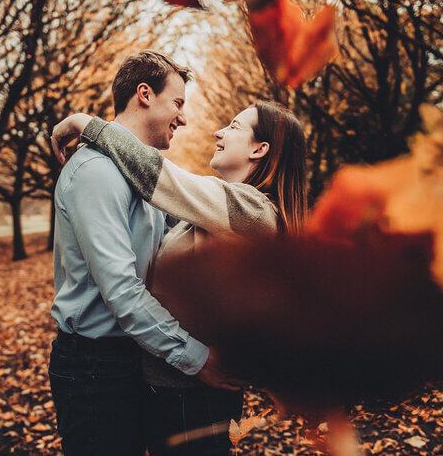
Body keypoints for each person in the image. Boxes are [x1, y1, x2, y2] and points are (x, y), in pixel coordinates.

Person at [51, 100, 307, 455]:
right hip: (171, 391)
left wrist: (88, 124)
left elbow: (161, 178)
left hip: (195, 398)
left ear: (259, 149)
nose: (219, 131)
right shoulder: (217, 214)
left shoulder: (253, 212)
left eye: (233, 126)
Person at [47, 50, 232, 456]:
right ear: (144, 94)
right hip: (95, 369)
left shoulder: (140, 179)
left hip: (134, 357)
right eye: (178, 103)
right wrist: (198, 359)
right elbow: (122, 291)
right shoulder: (97, 173)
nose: (183, 118)